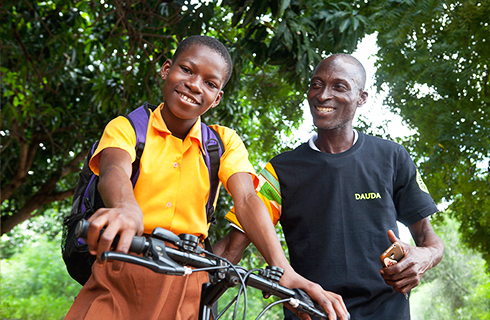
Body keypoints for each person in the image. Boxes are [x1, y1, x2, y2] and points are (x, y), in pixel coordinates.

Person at [65, 36, 349, 320]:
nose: (194, 85)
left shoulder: (223, 143)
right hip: (123, 265)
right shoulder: (128, 127)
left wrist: (281, 267)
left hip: (189, 278)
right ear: (166, 69)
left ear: (217, 98)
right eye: (187, 70)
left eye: (210, 83)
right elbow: (114, 170)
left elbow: (248, 199)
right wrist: (126, 208)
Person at [225, 53, 445, 319]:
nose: (322, 95)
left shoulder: (392, 157)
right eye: (316, 84)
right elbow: (231, 249)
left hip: (387, 311)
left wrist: (424, 257)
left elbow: (428, 239)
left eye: (339, 86)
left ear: (361, 98)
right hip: (310, 311)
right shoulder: (279, 171)